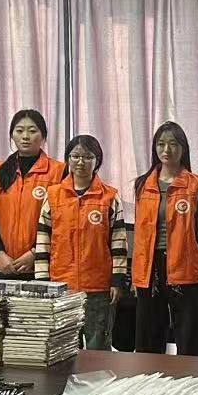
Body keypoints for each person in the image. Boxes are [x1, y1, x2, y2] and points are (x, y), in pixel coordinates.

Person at [35, 134, 129, 350]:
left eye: (88, 157)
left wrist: (117, 281)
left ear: (97, 161)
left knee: (99, 349)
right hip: (61, 286)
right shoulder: (53, 195)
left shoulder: (109, 197)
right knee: (63, 349)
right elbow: (43, 239)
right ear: (68, 159)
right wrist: (42, 281)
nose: (80, 162)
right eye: (75, 156)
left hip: (98, 288)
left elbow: (119, 242)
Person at [130, 122, 198, 356]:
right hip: (150, 268)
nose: (167, 150)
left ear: (183, 148)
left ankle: (189, 378)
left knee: (188, 337)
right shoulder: (143, 184)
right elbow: (140, 233)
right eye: (161, 144)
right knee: (149, 337)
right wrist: (136, 275)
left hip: (185, 267)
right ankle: (151, 378)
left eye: (173, 144)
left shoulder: (195, 184)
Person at [0, 109, 67, 279]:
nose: (25, 136)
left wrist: (35, 252)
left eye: (32, 131)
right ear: (12, 135)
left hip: (43, 266)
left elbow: (63, 221)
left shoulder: (59, 171)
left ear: (43, 136)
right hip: (4, 265)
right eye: (20, 130)